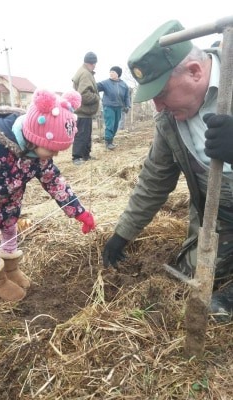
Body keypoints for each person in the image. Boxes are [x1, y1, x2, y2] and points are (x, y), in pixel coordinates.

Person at [103, 20, 233, 320]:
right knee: (187, 273)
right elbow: (154, 179)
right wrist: (122, 235)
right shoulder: (170, 120)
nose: (158, 107)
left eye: (162, 93)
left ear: (195, 72)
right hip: (221, 217)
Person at [0, 89, 96, 302]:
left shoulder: (39, 157)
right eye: (51, 149)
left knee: (11, 228)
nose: (55, 155)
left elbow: (55, 182)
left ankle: (12, 270)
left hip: (10, 200)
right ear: (33, 137)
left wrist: (79, 212)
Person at [71, 51, 100, 165]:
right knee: (81, 134)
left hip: (84, 111)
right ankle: (77, 157)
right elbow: (84, 95)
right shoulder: (85, 74)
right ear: (92, 63)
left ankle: (85, 155)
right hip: (82, 111)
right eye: (95, 64)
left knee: (86, 134)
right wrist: (97, 97)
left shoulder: (84, 71)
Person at [97, 66, 131, 150]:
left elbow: (127, 96)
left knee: (116, 125)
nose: (111, 73)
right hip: (109, 106)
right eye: (110, 72)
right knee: (110, 124)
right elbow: (95, 86)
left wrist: (127, 106)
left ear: (118, 74)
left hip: (119, 107)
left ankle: (111, 140)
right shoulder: (105, 83)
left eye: (113, 72)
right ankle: (108, 142)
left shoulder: (123, 84)